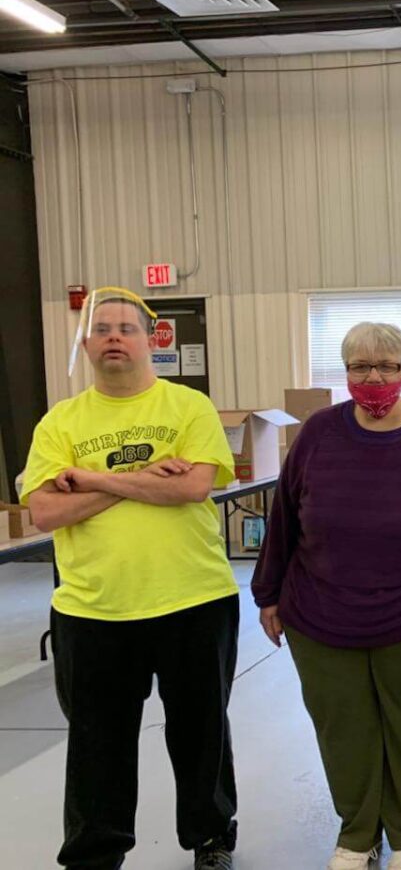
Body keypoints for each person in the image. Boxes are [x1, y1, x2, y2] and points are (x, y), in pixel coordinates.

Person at [252, 321, 401, 870]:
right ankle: (357, 832)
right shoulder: (317, 434)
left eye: (387, 366)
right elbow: (284, 515)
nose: (374, 377)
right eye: (361, 367)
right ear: (347, 372)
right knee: (344, 729)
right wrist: (268, 592)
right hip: (321, 614)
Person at [21, 287, 240, 870]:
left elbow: (193, 488)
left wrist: (93, 481)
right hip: (93, 610)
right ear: (88, 344)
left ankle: (211, 837)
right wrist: (147, 479)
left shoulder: (188, 407)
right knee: (97, 742)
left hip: (193, 598)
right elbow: (44, 513)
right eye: (103, 329)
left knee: (201, 733)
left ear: (151, 340)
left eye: (126, 327)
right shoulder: (58, 423)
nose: (114, 336)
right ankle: (96, 853)